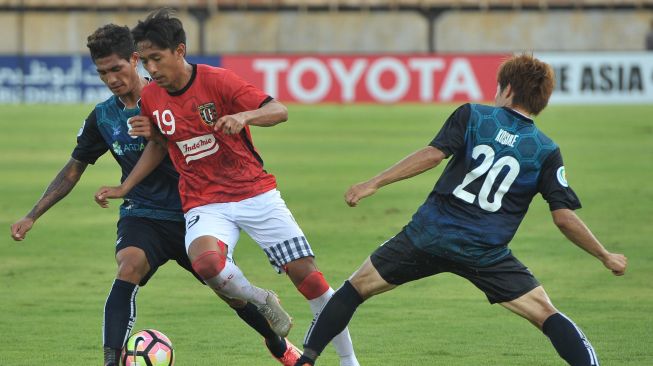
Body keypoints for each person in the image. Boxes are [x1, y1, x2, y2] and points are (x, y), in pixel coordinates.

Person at [293, 54, 628, 366]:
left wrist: (374, 183)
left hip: (428, 235)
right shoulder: (545, 150)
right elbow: (563, 216)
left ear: (507, 89)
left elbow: (433, 154)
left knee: (354, 289)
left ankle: (306, 359)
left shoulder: (473, 115)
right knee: (546, 313)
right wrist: (604, 255)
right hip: (485, 252)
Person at [9, 24, 298, 366]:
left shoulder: (167, 97)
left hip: (193, 211)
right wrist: (33, 214)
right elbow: (73, 168)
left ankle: (279, 345)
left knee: (228, 293)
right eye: (103, 73)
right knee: (128, 265)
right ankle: (110, 361)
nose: (111, 79)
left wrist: (165, 133)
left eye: (117, 69)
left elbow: (208, 140)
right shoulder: (104, 117)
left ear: (136, 60)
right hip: (143, 213)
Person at [94, 9, 360, 366]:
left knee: (309, 280)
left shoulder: (218, 81)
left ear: (180, 51)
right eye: (146, 61)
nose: (151, 70)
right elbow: (161, 145)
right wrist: (126, 186)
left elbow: (278, 110)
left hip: (255, 193)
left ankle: (349, 361)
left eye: (157, 59)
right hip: (204, 202)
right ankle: (260, 298)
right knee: (206, 263)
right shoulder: (152, 98)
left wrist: (245, 116)